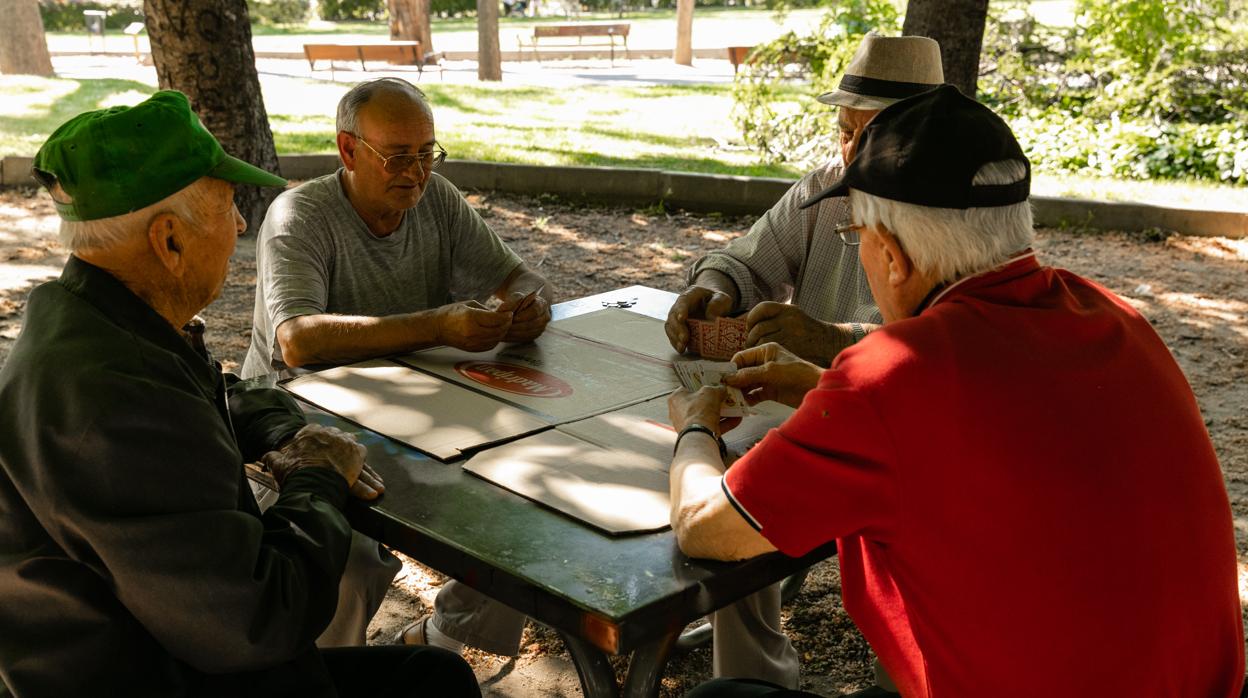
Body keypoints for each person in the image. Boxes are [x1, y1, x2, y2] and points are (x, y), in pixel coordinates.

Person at [670, 85, 1244, 697]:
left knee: (714, 697)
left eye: (856, 236)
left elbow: (706, 525)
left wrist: (696, 426)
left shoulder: (891, 378)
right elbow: (999, 432)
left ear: (892, 257)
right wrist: (818, 388)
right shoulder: (1116, 318)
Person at [0, 91, 480, 697]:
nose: (240, 224)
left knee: (430, 674)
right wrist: (318, 479)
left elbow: (211, 392)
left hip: (154, 647)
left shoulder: (93, 321)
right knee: (431, 684)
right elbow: (259, 619)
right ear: (169, 241)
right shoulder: (113, 404)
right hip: (150, 672)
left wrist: (284, 430)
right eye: (228, 206)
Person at [242, 77, 553, 657]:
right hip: (300, 424)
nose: (416, 170)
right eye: (398, 156)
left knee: (521, 506)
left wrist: (528, 304)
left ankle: (442, 641)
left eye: (427, 153)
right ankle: (323, 678)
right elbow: (297, 341)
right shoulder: (300, 216)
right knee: (350, 560)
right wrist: (437, 325)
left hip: (414, 411)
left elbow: (519, 277)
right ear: (348, 150)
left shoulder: (437, 200)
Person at [665, 33, 943, 366]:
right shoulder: (825, 185)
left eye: (873, 136)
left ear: (924, 138)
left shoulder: (959, 213)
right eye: (846, 133)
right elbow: (744, 262)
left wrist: (831, 340)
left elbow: (938, 343)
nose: (852, 154)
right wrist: (714, 288)